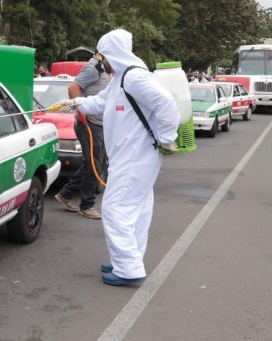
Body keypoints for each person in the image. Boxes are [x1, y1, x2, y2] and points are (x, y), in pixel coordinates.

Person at [55, 29, 180, 286]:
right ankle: (125, 260)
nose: (102, 62)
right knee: (136, 210)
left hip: (135, 157)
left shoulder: (134, 77)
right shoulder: (121, 78)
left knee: (115, 209)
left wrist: (168, 136)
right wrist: (75, 104)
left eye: (103, 56)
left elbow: (166, 102)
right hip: (130, 156)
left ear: (113, 53)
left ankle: (128, 270)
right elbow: (101, 102)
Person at [54, 55, 111, 219]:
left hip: (98, 124)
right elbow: (73, 88)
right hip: (89, 124)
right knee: (94, 163)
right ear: (103, 55)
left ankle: (66, 194)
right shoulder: (93, 69)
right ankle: (87, 205)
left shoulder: (105, 70)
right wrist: (81, 113)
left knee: (92, 163)